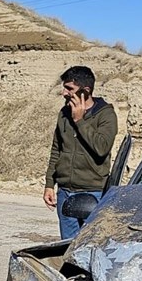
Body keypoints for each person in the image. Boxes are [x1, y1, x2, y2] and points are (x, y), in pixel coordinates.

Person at [42, 66, 118, 238]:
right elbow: (56, 149)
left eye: (69, 88)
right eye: (64, 87)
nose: (64, 93)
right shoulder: (63, 113)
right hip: (65, 191)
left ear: (86, 90)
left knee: (89, 246)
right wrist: (49, 184)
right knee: (67, 248)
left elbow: (101, 148)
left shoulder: (106, 115)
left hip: (93, 192)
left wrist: (80, 120)